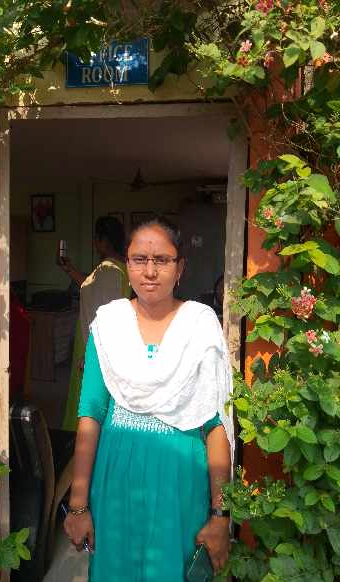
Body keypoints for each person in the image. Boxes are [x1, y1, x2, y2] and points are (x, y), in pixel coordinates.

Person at [64, 215, 234, 581]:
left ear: (180, 267)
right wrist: (78, 505)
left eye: (162, 260)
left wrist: (220, 515)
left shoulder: (201, 326)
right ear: (127, 265)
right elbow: (91, 413)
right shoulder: (108, 325)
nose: (150, 271)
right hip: (115, 484)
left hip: (180, 486)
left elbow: (215, 423)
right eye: (140, 259)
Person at [60, 216, 131, 432]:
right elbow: (90, 286)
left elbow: (108, 314)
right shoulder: (112, 269)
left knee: (90, 401)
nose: (93, 243)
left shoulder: (109, 270)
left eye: (96, 238)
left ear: (104, 241)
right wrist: (69, 269)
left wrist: (94, 354)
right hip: (93, 344)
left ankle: (85, 441)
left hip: (95, 346)